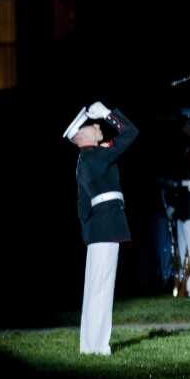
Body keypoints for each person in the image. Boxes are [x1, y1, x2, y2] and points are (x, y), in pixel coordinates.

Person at [62, 100, 139, 355]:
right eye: (91, 125)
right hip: (105, 226)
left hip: (100, 227)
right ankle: (98, 346)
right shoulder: (93, 157)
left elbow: (82, 205)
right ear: (80, 136)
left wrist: (89, 228)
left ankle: (91, 345)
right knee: (101, 288)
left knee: (96, 287)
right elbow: (130, 133)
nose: (97, 125)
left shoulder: (88, 158)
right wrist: (107, 113)